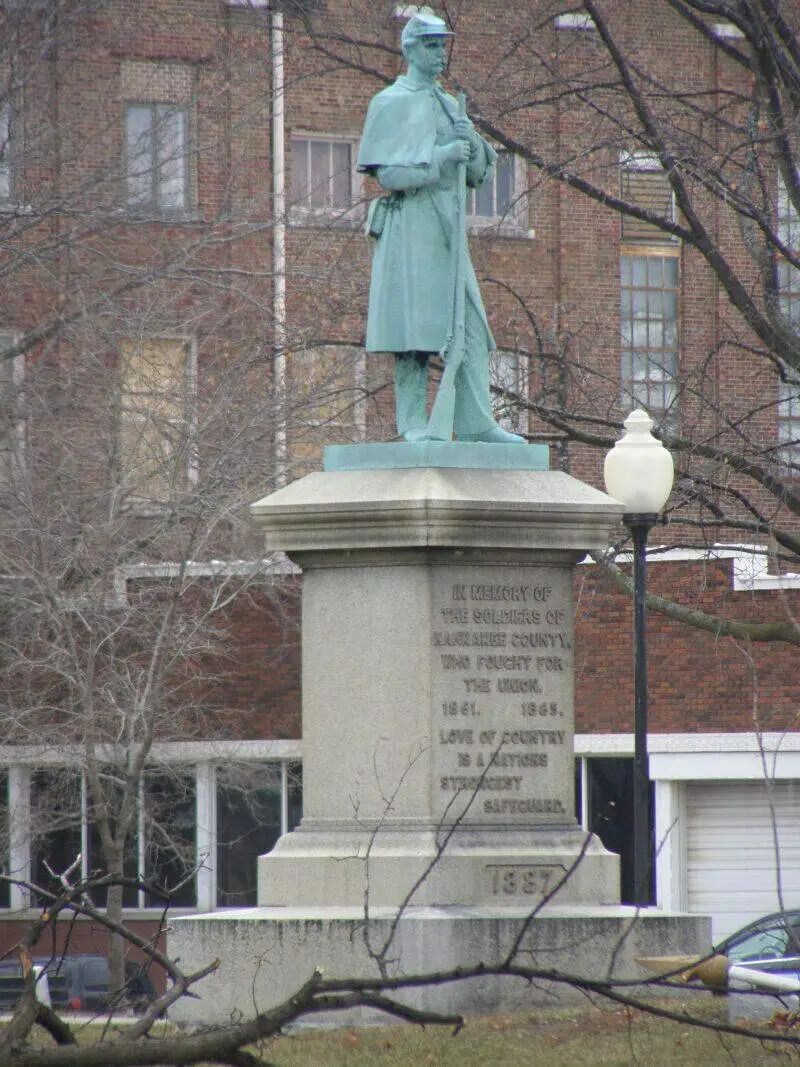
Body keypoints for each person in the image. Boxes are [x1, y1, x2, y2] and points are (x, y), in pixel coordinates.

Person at [357, 11, 526, 444]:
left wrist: (469, 150)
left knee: (469, 324)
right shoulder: (389, 103)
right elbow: (390, 177)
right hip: (411, 228)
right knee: (413, 333)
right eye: (431, 45)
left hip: (449, 235)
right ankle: (412, 424)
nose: (440, 53)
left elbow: (476, 174)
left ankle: (478, 423)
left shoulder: (450, 105)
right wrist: (441, 157)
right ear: (410, 49)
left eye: (442, 45)